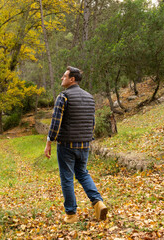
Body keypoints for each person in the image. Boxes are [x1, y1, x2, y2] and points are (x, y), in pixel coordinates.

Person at [44, 66, 108, 223]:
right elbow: (91, 122)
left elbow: (55, 122)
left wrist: (49, 141)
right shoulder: (89, 97)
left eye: (64, 76)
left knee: (67, 178)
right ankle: (98, 202)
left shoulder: (63, 97)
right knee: (82, 173)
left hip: (67, 144)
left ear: (72, 79)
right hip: (84, 144)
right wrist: (86, 139)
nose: (61, 78)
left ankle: (71, 214)